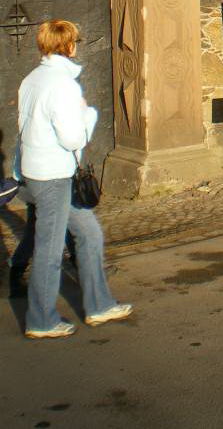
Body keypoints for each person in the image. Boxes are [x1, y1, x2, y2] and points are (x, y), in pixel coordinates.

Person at [16, 19, 132, 339]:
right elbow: (72, 138)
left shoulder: (31, 79)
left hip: (42, 171)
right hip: (53, 174)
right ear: (69, 46)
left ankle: (99, 305)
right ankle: (41, 320)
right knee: (50, 250)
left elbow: (24, 126)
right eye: (75, 42)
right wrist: (88, 115)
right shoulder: (62, 85)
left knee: (90, 235)